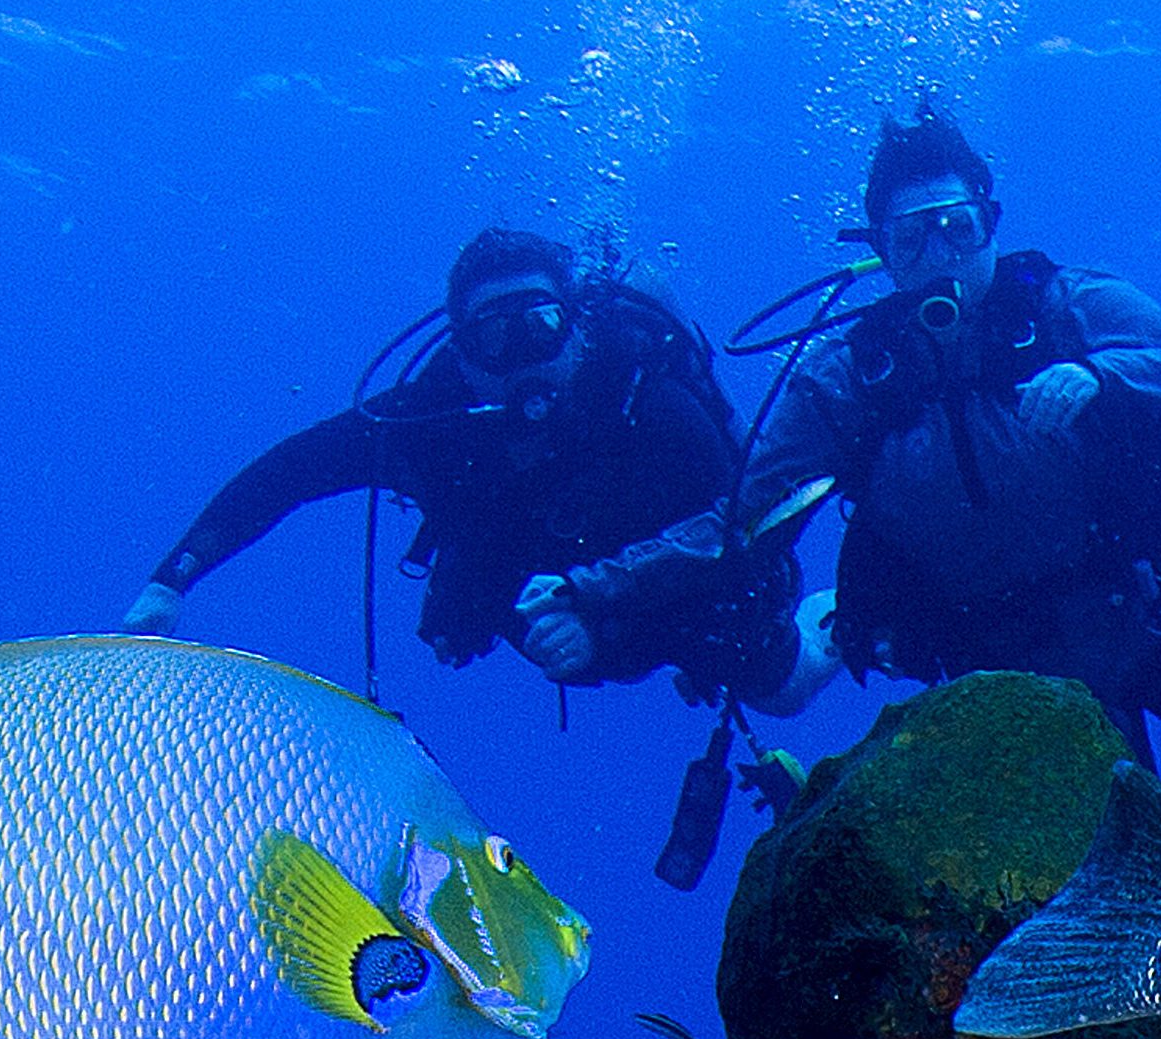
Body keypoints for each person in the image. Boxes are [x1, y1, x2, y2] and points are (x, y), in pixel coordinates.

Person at [734, 112, 1161, 810]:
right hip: (1019, 677)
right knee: (1102, 914)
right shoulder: (845, 377)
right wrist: (607, 594)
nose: (940, 256)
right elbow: (740, 513)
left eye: (957, 227)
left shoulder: (1068, 303)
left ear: (990, 224)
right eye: (911, 238)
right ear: (882, 255)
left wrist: (1106, 374)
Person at [125, 225, 788, 710]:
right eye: (491, 337)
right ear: (461, 354)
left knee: (776, 687)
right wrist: (173, 577)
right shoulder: (424, 423)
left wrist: (608, 626)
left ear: (579, 331)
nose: (519, 357)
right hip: (538, 591)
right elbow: (288, 473)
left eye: (540, 324)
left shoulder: (650, 404)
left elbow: (745, 534)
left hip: (681, 586)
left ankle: (828, 631)